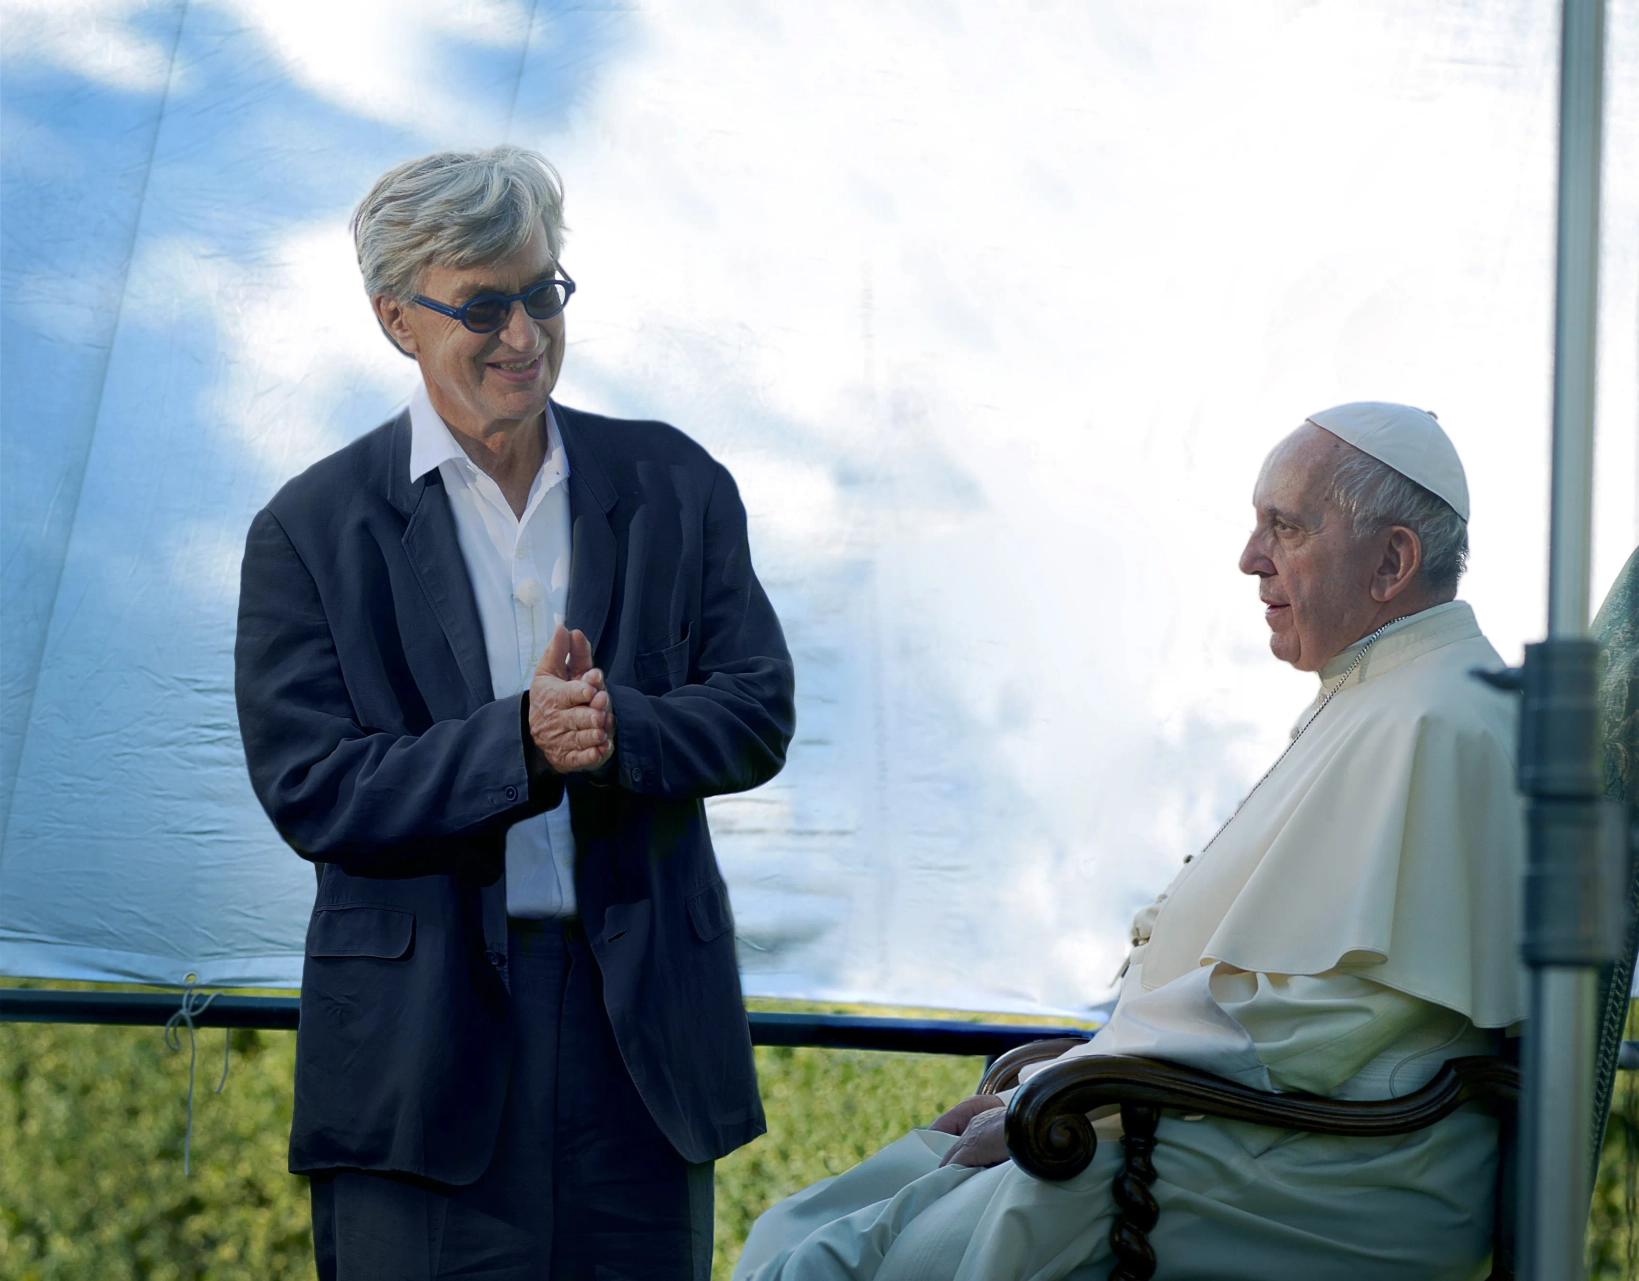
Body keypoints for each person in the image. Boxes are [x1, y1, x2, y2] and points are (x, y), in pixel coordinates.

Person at [734, 403, 1523, 1281]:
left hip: (1335, 1169)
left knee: (854, 1261)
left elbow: (1321, 1019)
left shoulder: (1440, 718)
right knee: (797, 1230)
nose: (1250, 557)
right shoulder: (1389, 692)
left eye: (1285, 527)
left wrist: (1082, 1086)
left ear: (1392, 561)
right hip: (1250, 1121)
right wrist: (1084, 1066)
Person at [234, 146, 794, 1280]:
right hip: (420, 1052)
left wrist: (617, 731)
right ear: (397, 318)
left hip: (642, 1042)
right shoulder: (310, 528)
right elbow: (314, 788)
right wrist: (520, 746)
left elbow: (757, 706)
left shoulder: (678, 484)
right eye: (484, 306)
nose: (526, 335)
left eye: (543, 293)